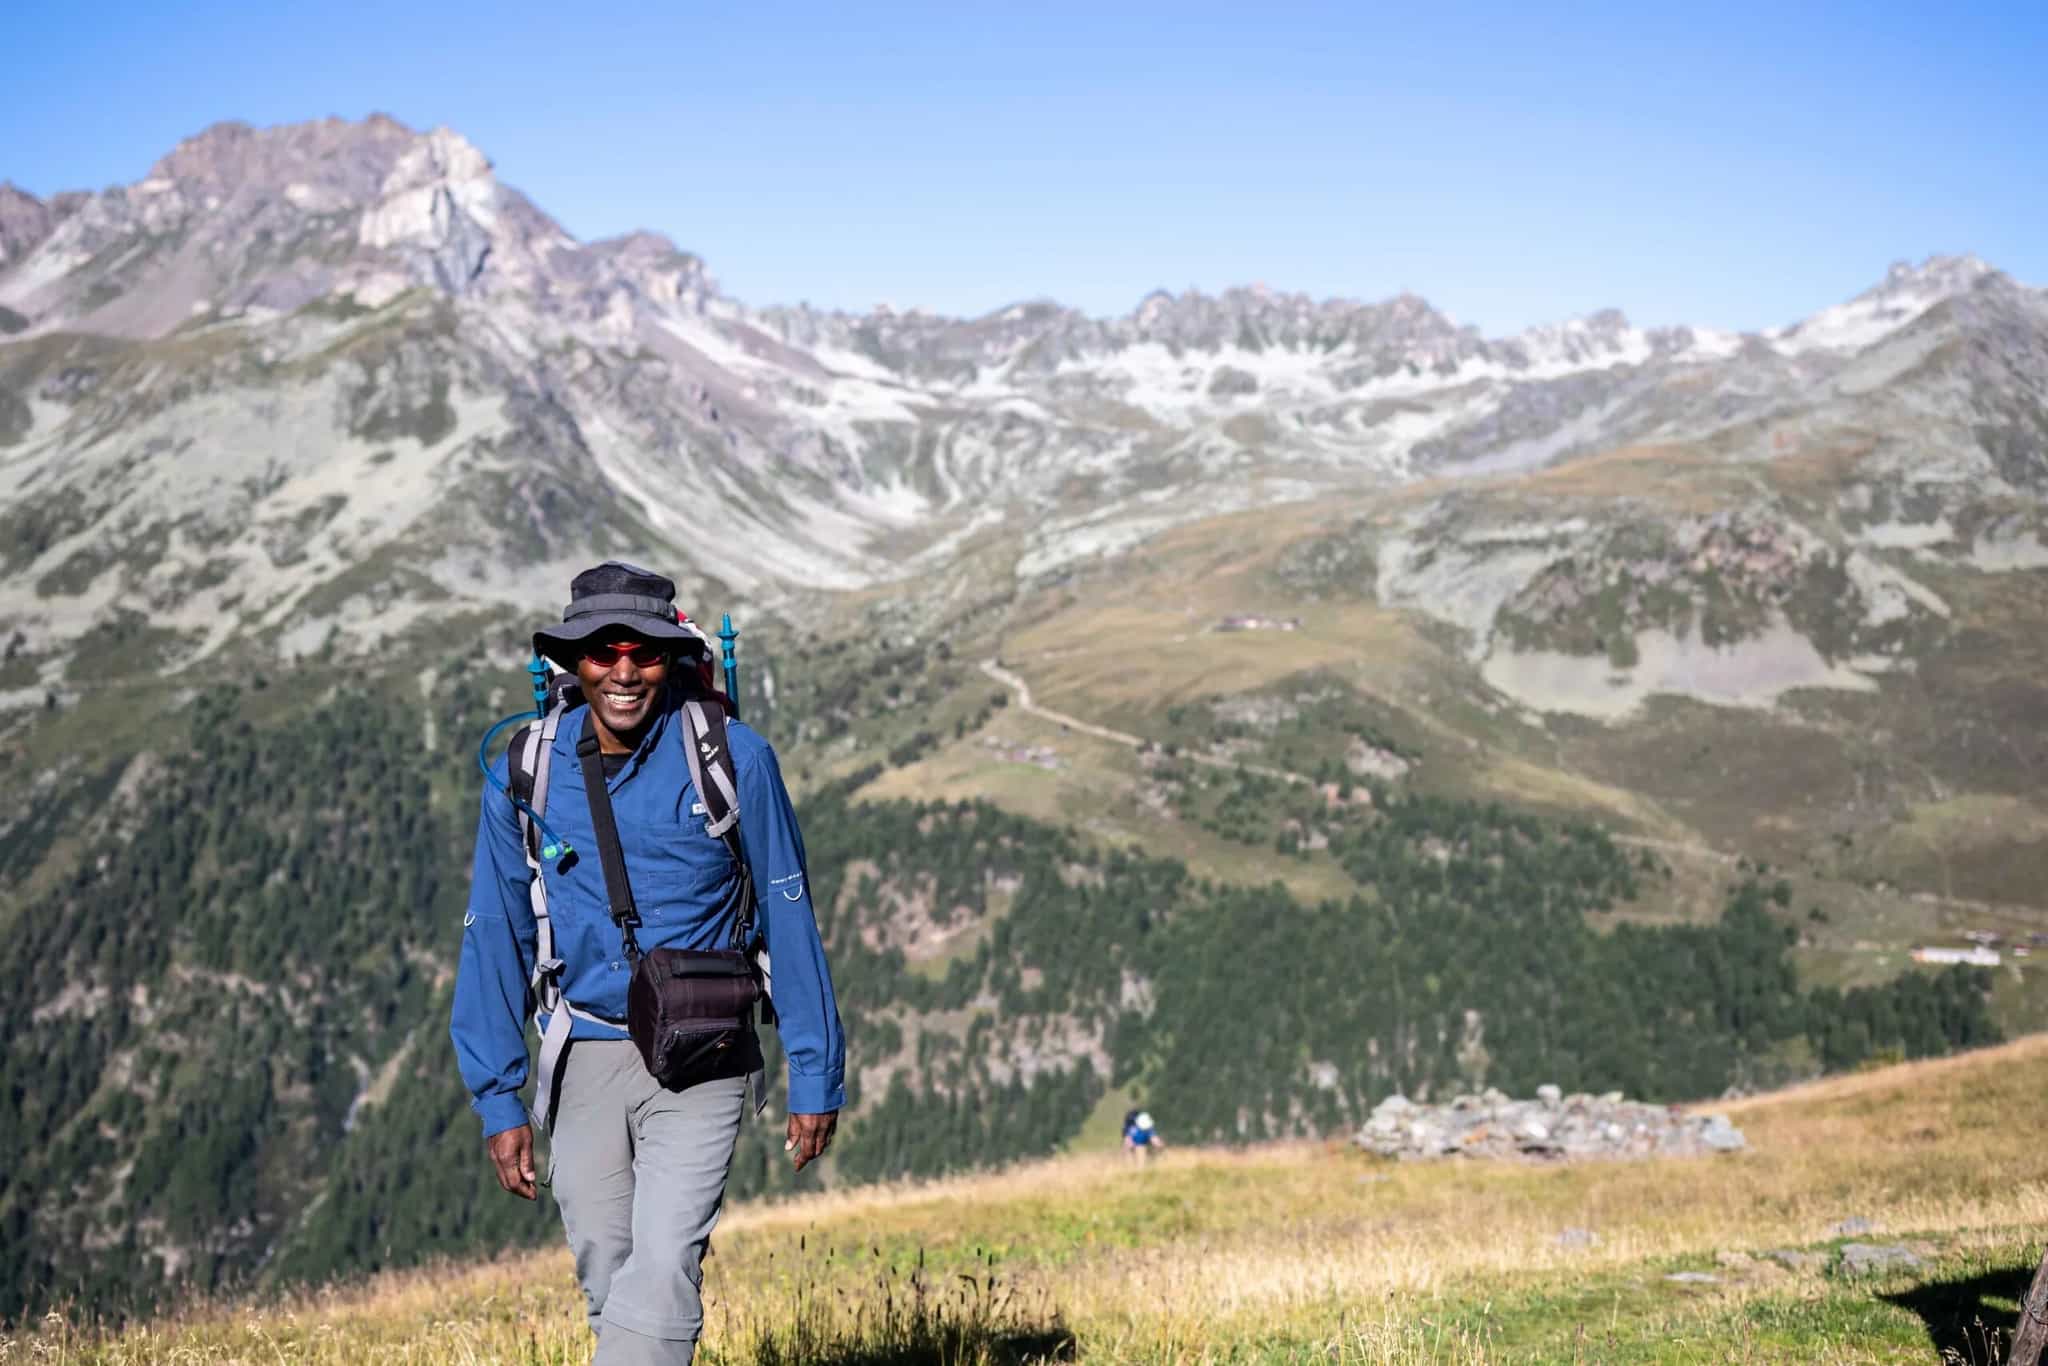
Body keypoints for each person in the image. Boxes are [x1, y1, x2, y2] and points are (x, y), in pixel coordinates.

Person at [451, 562, 845, 1366]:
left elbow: (788, 911)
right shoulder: (525, 772)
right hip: (584, 1046)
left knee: (663, 1265)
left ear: (672, 656)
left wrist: (816, 1073)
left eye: (645, 652)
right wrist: (498, 1097)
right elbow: (494, 934)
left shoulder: (736, 760)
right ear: (573, 661)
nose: (623, 671)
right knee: (607, 1270)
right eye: (601, 652)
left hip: (706, 1050)